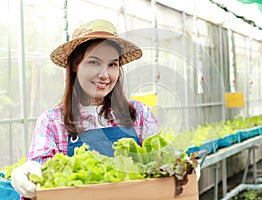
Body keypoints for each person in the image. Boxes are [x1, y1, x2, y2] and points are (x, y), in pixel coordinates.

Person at [11, 19, 159, 199]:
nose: (104, 75)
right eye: (94, 62)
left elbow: (159, 166)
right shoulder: (53, 121)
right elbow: (43, 179)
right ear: (75, 65)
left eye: (112, 64)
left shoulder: (139, 114)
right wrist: (29, 174)